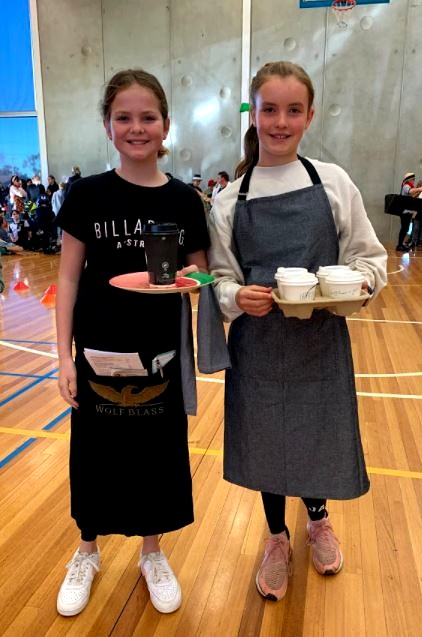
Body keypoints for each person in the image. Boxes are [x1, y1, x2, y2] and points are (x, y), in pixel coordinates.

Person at [208, 61, 387, 602]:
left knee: (317, 432)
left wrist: (357, 285)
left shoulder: (332, 182)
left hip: (320, 342)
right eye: (269, 109)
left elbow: (369, 258)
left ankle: (318, 520)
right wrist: (235, 297)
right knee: (265, 441)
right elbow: (219, 279)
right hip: (257, 346)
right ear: (254, 114)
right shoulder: (229, 200)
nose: (280, 122)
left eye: (292, 110)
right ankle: (276, 538)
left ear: (309, 116)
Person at [55, 68, 209, 617]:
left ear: (165, 125)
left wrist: (192, 279)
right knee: (94, 452)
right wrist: (62, 357)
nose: (136, 128)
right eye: (124, 117)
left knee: (156, 453)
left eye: (148, 117)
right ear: (107, 125)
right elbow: (67, 278)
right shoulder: (86, 195)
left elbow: (202, 274)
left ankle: (152, 553)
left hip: (160, 352)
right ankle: (86, 551)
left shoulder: (186, 200)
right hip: (98, 348)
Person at [396, 172, 422, 251]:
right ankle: (399, 245)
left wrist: (419, 192)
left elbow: (413, 196)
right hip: (404, 210)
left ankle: (401, 244)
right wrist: (419, 188)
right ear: (409, 180)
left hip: (408, 210)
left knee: (406, 228)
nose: (414, 181)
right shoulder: (406, 186)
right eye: (413, 179)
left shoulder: (410, 186)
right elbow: (410, 191)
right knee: (404, 228)